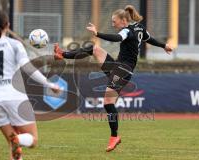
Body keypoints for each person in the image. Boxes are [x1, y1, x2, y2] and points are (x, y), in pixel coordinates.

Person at [54, 5, 173, 152]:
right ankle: (62, 55)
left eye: (114, 21)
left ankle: (114, 136)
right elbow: (150, 39)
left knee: (108, 102)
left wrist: (98, 33)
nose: (113, 24)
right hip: (118, 66)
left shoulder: (126, 30)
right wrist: (164, 46)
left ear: (123, 20)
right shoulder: (139, 28)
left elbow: (117, 38)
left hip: (123, 70)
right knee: (95, 49)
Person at [0, 10, 59, 160]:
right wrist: (48, 83)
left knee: (12, 143)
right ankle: (19, 139)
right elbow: (28, 68)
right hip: (15, 97)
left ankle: (17, 140)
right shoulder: (14, 44)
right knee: (32, 139)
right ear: (7, 25)